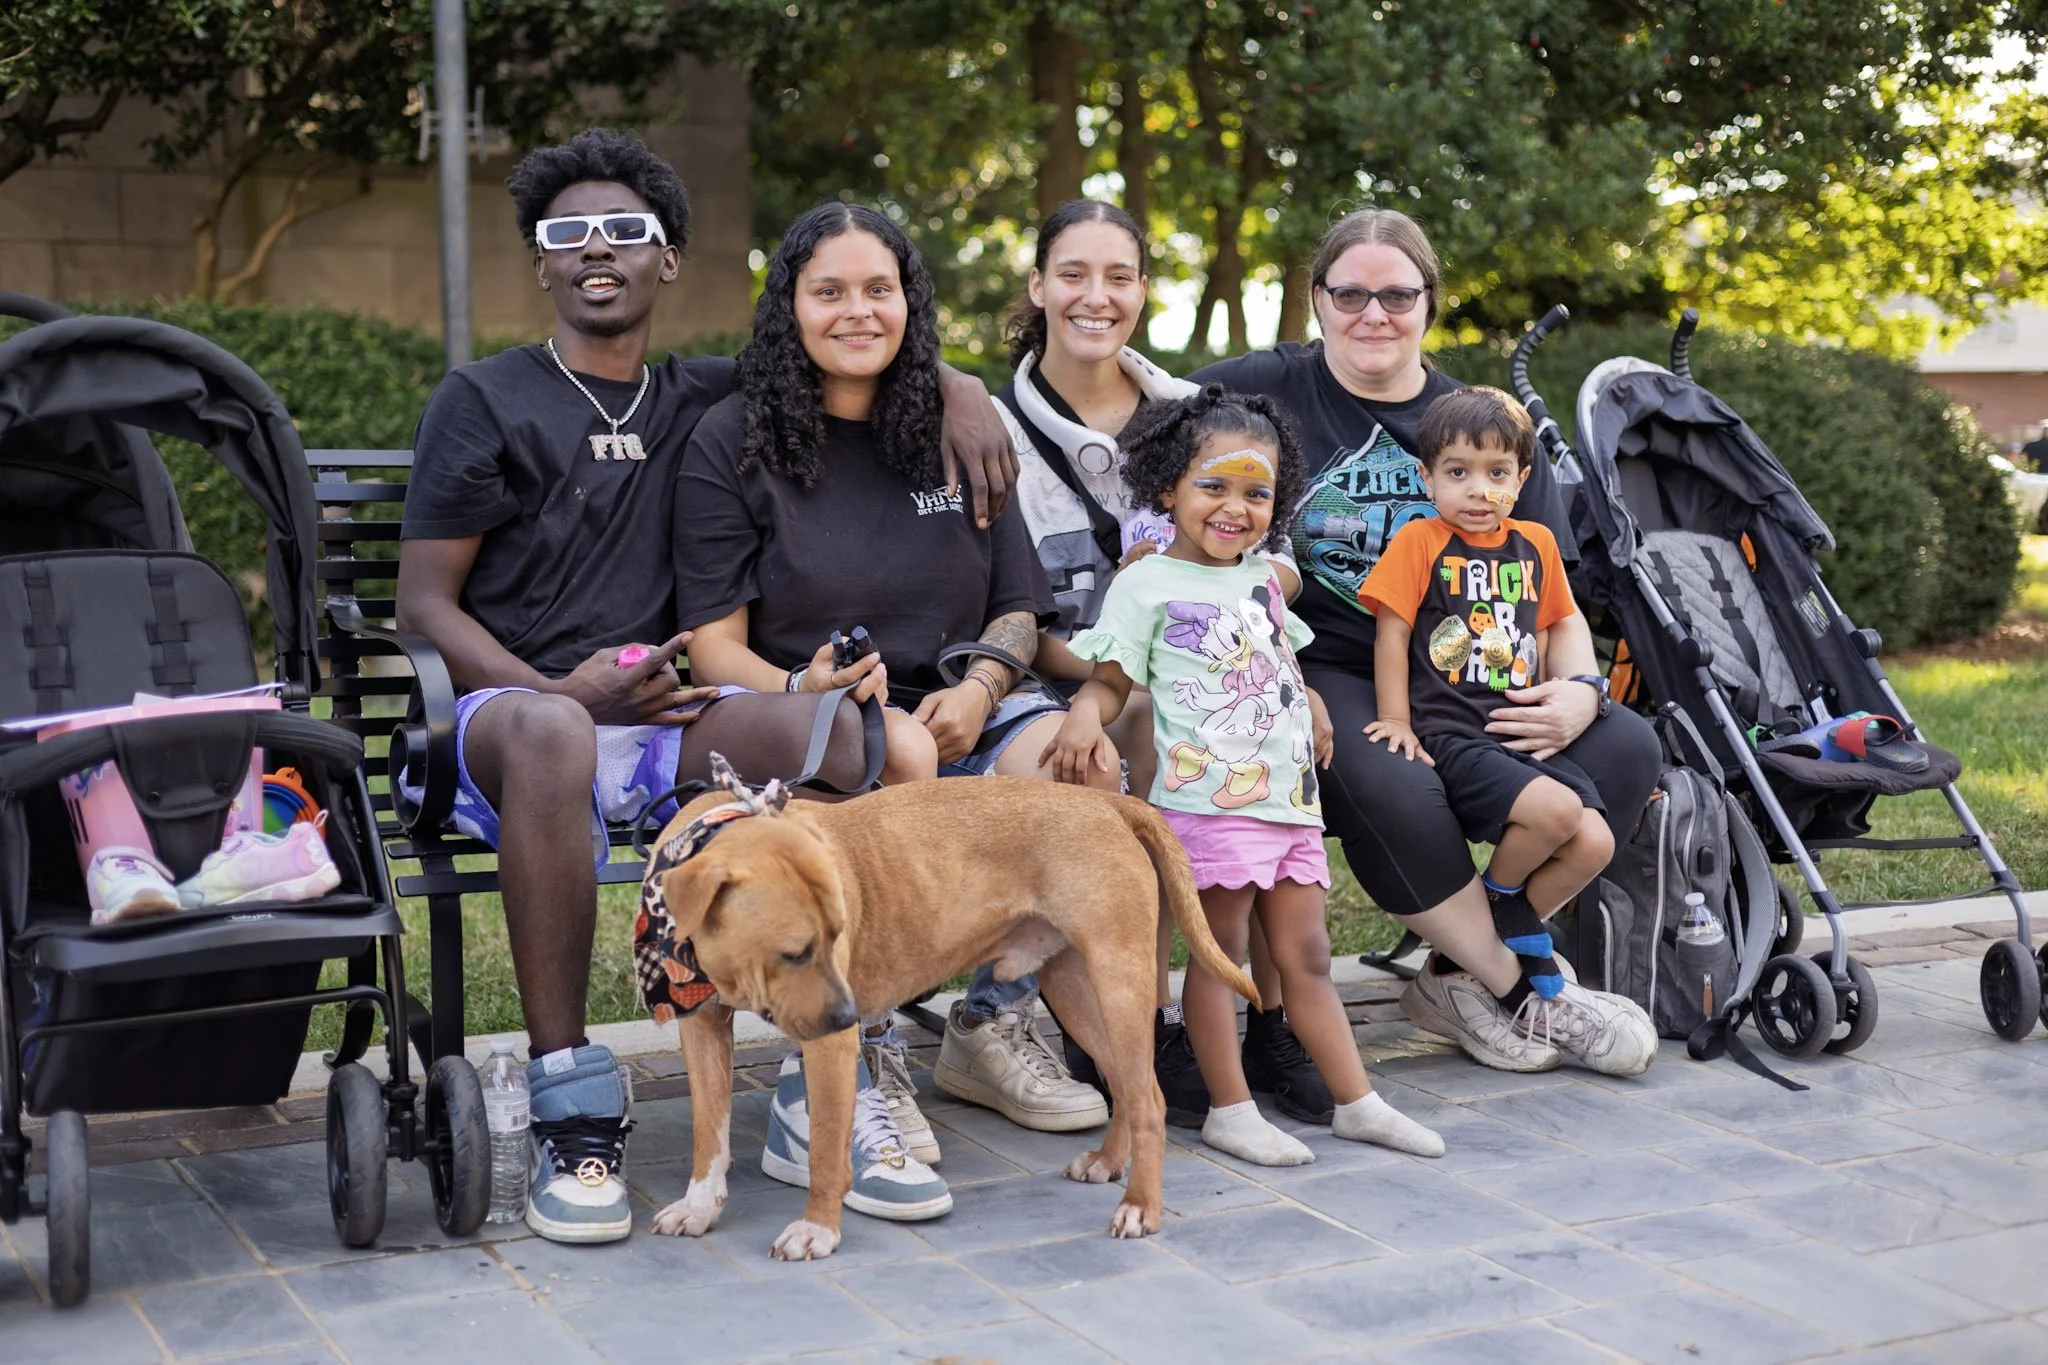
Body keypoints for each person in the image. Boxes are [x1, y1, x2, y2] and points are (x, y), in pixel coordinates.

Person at [395, 130, 1014, 1245]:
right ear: (539, 261)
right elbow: (424, 609)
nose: (597, 250)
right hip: (516, 723)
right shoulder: (482, 400)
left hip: (671, 719)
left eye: (625, 231)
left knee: (839, 730)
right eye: (567, 233)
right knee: (549, 734)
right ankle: (569, 1103)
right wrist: (561, 691)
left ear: (666, 260)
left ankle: (822, 1072)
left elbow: (854, 339)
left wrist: (961, 386)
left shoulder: (700, 398)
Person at [674, 201, 1112, 1218]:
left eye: (880, 290)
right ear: (790, 305)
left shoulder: (956, 427)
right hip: (813, 722)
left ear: (910, 301)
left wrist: (983, 687)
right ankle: (859, 1056)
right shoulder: (734, 437)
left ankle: (991, 1024)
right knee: (902, 751)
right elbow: (713, 645)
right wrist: (800, 689)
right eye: (829, 291)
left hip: (968, 698)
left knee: (1082, 781)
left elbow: (1016, 604)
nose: (857, 311)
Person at [1192, 208, 1662, 1076]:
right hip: (1328, 662)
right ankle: (1524, 990)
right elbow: (1136, 407)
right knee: (1390, 778)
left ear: (1429, 303)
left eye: (1397, 294)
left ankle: (1450, 975)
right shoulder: (1267, 386)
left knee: (1629, 742)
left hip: (1481, 670)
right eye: (1350, 294)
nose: (1374, 313)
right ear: (1317, 299)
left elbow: (1552, 589)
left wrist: (1582, 691)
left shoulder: (1480, 427)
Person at [993, 198, 1330, 1128]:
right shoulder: (991, 426)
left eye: (1119, 276)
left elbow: (1279, 569)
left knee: (1250, 747)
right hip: (1066, 677)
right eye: (1072, 274)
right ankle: (1137, 1019)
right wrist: (1113, 671)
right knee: (1133, 729)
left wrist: (1196, 595)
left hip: (1216, 668)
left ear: (1143, 290)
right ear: (1037, 286)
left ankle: (1270, 1021)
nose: (1095, 297)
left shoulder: (1195, 414)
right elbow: (1011, 604)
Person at [1046, 386, 1443, 1164]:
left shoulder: (1260, 579)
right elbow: (1110, 678)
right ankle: (1229, 1107)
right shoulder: (1146, 584)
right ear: (1168, 488)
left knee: (1307, 958)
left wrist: (1316, 702)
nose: (1235, 508)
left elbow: (1278, 656)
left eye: (1257, 493)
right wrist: (1086, 714)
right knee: (1220, 955)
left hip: (1288, 801)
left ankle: (1357, 1100)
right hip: (1206, 805)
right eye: (1214, 486)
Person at [1360, 389, 1648, 1068]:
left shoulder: (1538, 544)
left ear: (1522, 480)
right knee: (1555, 810)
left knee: (1595, 841)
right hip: (1454, 730)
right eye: (1457, 472)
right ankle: (1501, 912)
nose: (1477, 490)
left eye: (1495, 473)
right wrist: (1396, 720)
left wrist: (1574, 693)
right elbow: (1392, 632)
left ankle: (1470, 951)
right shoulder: (1420, 541)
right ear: (1426, 477)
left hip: (1520, 731)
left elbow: (1555, 624)